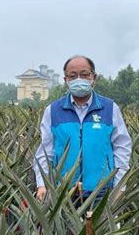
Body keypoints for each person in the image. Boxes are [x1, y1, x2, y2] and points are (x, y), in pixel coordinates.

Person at [34, 55, 131, 205]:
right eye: (73, 76)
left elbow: (122, 148)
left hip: (102, 189)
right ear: (66, 80)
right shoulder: (53, 111)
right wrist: (42, 184)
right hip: (62, 190)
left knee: (101, 228)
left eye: (84, 74)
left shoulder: (109, 108)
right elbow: (46, 151)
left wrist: (120, 185)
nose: (79, 79)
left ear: (94, 77)